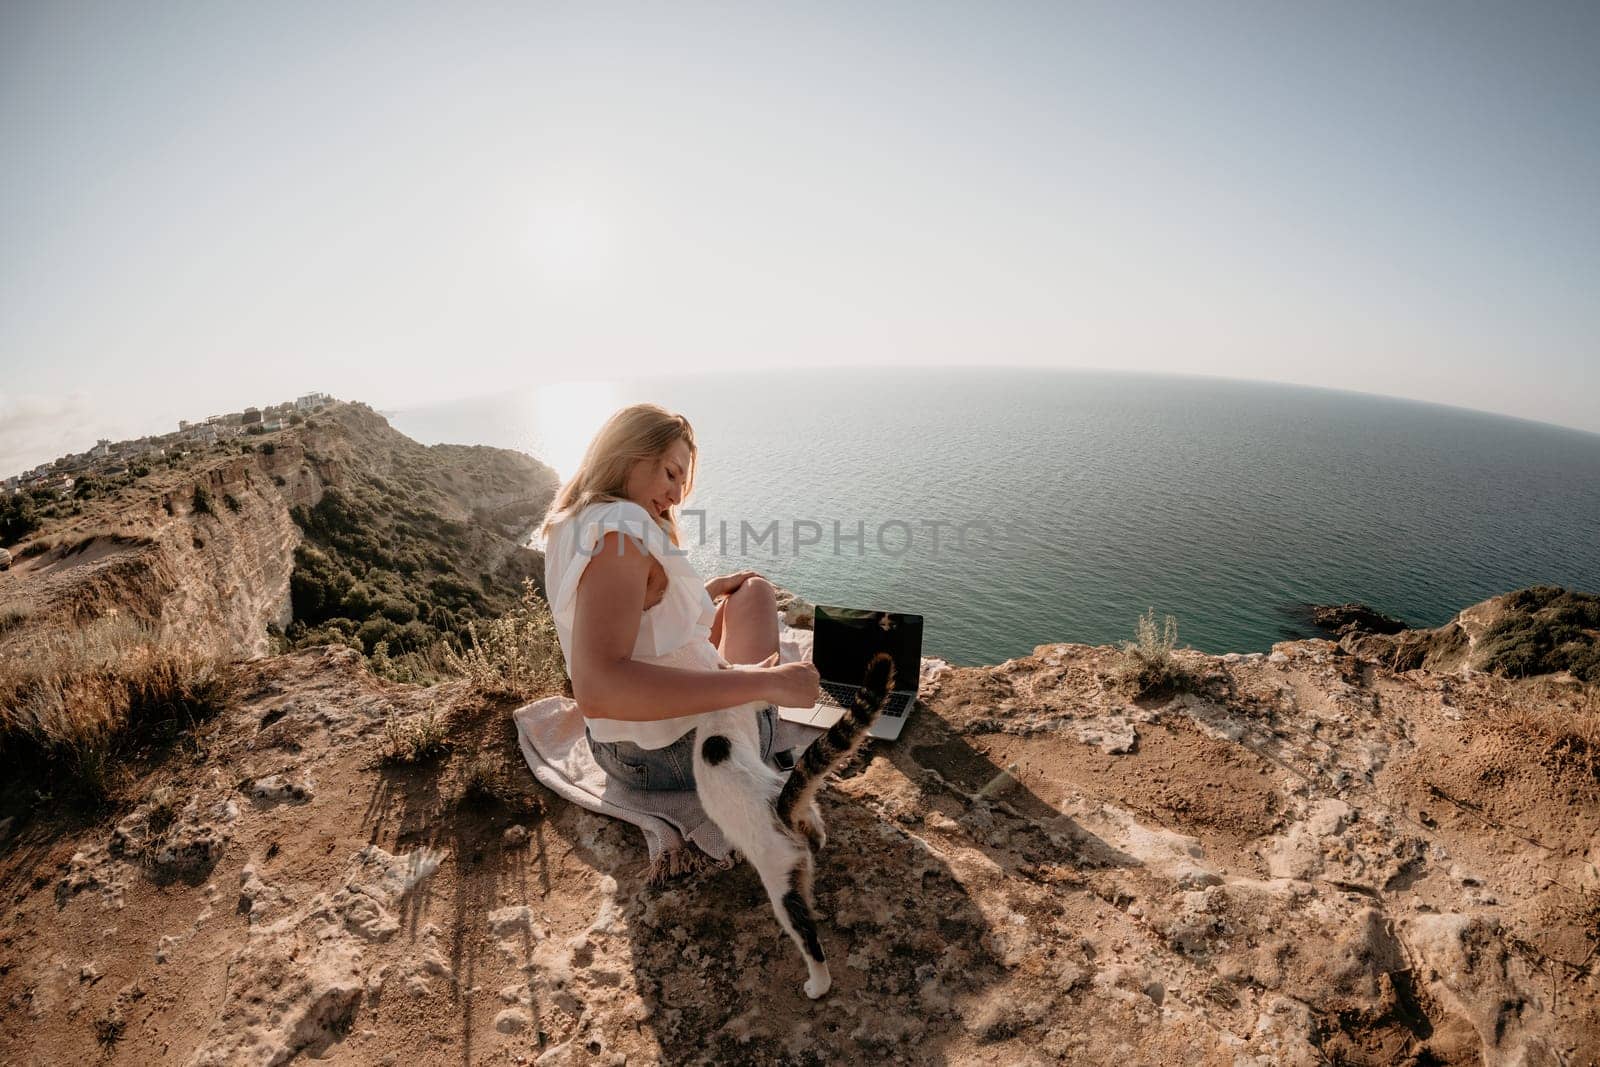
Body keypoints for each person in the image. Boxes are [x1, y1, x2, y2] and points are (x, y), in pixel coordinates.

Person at [539, 403, 820, 790]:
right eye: (670, 473)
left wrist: (704, 594)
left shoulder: (573, 520)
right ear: (627, 453)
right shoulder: (622, 533)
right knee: (758, 601)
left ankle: (731, 670)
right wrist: (768, 684)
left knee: (749, 591)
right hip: (676, 752)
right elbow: (597, 689)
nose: (674, 496)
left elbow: (628, 621)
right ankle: (754, 694)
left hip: (617, 745)